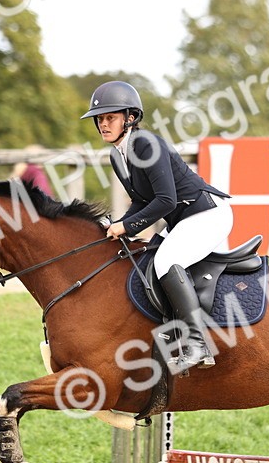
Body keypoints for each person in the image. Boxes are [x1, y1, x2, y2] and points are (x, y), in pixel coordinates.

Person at [81, 80, 233, 374]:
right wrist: (119, 224)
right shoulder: (117, 155)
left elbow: (165, 200)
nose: (103, 124)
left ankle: (197, 344)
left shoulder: (145, 144)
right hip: (183, 219)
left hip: (208, 214)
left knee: (165, 261)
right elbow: (142, 200)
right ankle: (170, 331)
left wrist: (126, 227)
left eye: (110, 117)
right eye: (99, 119)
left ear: (130, 118)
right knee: (148, 258)